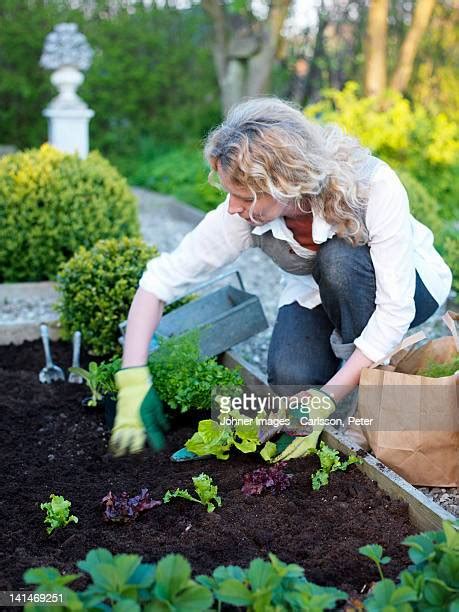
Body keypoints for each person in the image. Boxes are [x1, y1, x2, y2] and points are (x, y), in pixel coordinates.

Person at [110, 97, 452, 459]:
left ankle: (364, 398)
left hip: (407, 289)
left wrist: (327, 398)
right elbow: (159, 281)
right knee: (290, 376)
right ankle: (345, 372)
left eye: (242, 196)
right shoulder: (240, 216)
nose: (232, 206)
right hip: (318, 292)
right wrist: (133, 375)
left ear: (284, 184)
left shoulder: (374, 185)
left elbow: (394, 311)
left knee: (338, 261)